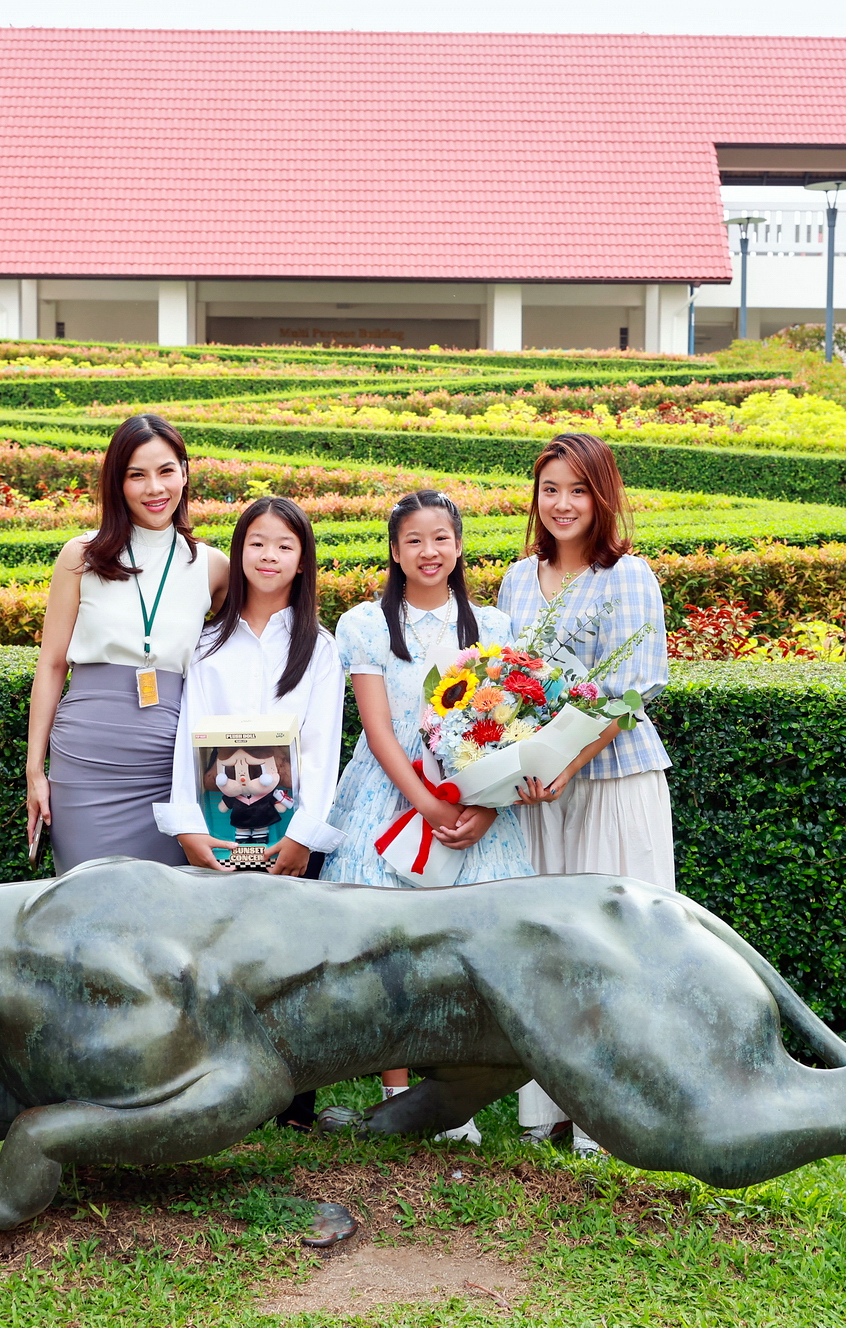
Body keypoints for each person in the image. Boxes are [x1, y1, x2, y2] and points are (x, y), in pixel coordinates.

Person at [321, 489, 532, 1143]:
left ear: (460, 544)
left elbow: (513, 729)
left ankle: (454, 1106)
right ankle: (398, 1093)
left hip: (477, 799)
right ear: (394, 551)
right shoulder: (364, 625)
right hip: (393, 795)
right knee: (387, 947)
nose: (428, 551)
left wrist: (483, 808)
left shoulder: (494, 628)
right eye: (413, 540)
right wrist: (431, 804)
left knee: (469, 948)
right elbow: (380, 732)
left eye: (440, 537)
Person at [498, 432, 674, 1155]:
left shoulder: (628, 576)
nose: (563, 504)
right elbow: (505, 683)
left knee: (615, 949)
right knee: (546, 950)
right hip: (541, 789)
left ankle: (613, 1116)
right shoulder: (516, 578)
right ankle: (549, 1110)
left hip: (610, 780)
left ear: (602, 496)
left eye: (577, 489)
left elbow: (634, 687)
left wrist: (571, 759)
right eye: (550, 489)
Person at [155, 495, 344, 1130]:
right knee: (220, 962)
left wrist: (305, 839)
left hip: (290, 841)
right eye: (257, 542)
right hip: (217, 837)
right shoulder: (207, 643)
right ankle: (218, 1093)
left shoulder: (319, 646)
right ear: (238, 553)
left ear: (302, 561)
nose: (269, 556)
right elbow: (188, 742)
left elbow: (322, 749)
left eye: (285, 546)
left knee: (292, 965)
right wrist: (187, 826)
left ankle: (293, 1103)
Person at [25, 413, 229, 872]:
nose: (154, 488)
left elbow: (261, 635)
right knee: (86, 898)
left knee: (168, 908)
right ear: (117, 483)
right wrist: (35, 770)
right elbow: (52, 663)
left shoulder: (212, 566)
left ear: (184, 473)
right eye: (136, 475)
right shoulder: (82, 555)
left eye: (166, 471)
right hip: (86, 760)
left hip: (169, 764)